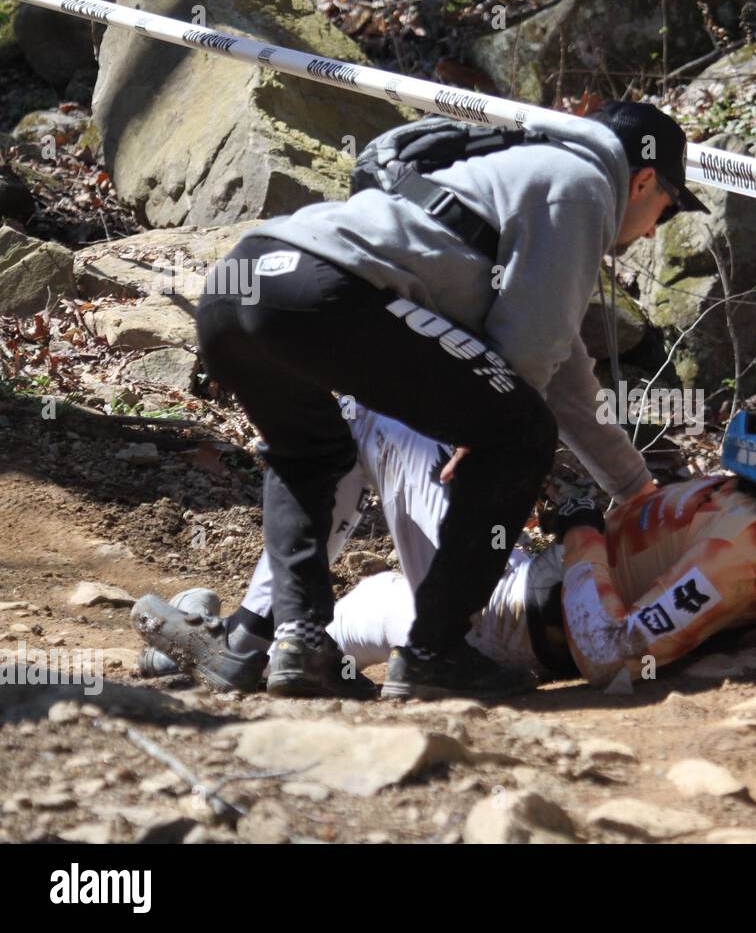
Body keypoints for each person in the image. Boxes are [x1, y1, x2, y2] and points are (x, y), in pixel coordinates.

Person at [135, 256, 756, 695]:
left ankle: (248, 628)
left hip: (513, 618)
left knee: (369, 410)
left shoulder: (749, 552)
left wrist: (583, 535)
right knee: (362, 614)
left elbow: (616, 650)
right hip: (517, 588)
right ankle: (216, 658)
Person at [139, 101, 708, 699]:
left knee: (311, 455)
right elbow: (533, 352)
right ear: (643, 180)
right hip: (323, 288)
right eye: (662, 213)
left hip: (240, 287)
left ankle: (291, 640)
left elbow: (563, 367)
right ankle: (435, 651)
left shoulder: (519, 163)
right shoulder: (585, 184)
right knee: (521, 436)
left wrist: (633, 489)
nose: (648, 231)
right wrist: (483, 430)